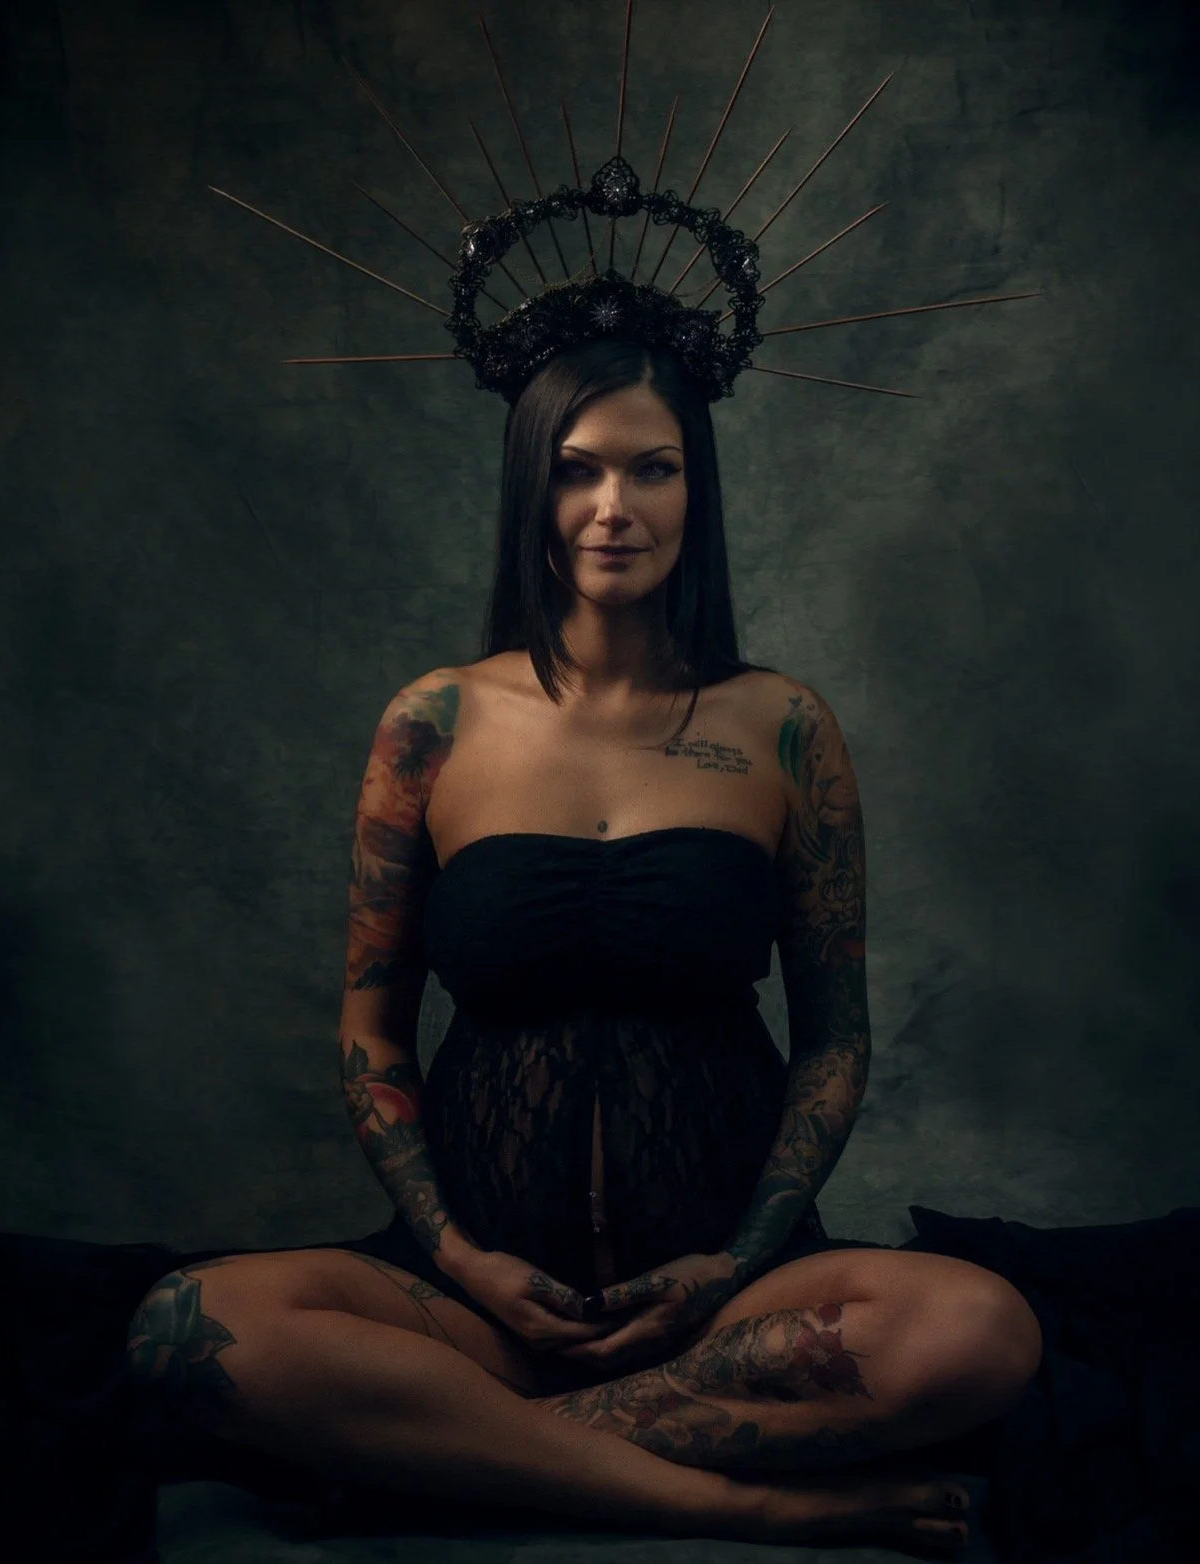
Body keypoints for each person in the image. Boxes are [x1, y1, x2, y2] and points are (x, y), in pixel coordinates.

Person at [124, 337, 1043, 1556]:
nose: (613, 509)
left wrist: (738, 1259)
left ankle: (455, 1455)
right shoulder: (432, 722)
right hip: (475, 1299)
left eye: (651, 470)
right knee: (181, 1325)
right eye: (576, 472)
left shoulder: (783, 728)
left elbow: (832, 1038)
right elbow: (371, 1029)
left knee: (982, 1329)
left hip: (723, 1297)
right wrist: (456, 1253)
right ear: (531, 493)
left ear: (694, 490)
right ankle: (735, 1500)